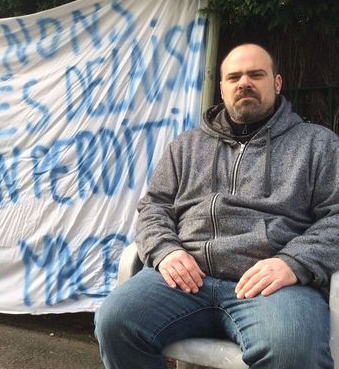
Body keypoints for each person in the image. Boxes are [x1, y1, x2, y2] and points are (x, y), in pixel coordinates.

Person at [94, 43, 339, 368]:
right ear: (222, 88)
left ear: (277, 83)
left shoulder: (317, 144)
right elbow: (154, 207)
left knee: (294, 351)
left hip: (272, 287)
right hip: (185, 279)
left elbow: (335, 216)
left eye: (256, 74)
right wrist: (166, 250)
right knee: (115, 322)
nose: (244, 83)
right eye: (234, 76)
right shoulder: (186, 146)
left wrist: (293, 262)